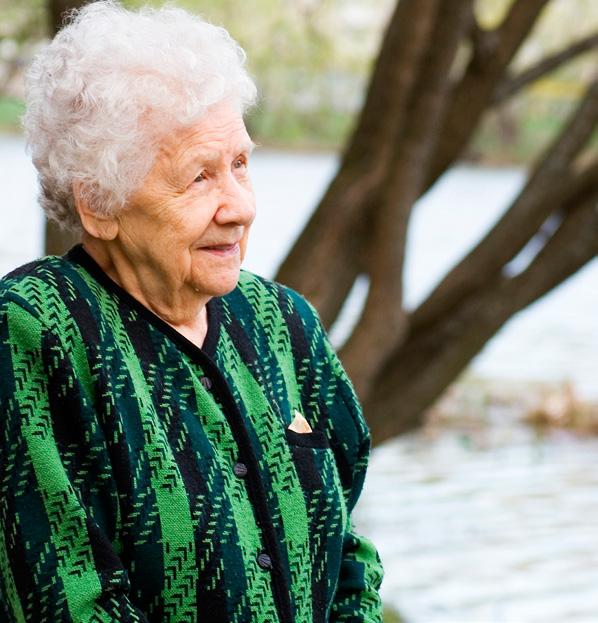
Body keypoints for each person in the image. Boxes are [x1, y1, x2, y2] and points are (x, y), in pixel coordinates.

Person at [0, 2, 384, 621]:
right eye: (199, 177)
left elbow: (348, 555)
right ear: (99, 203)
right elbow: (64, 602)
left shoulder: (282, 322)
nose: (240, 207)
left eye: (239, 164)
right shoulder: (34, 332)